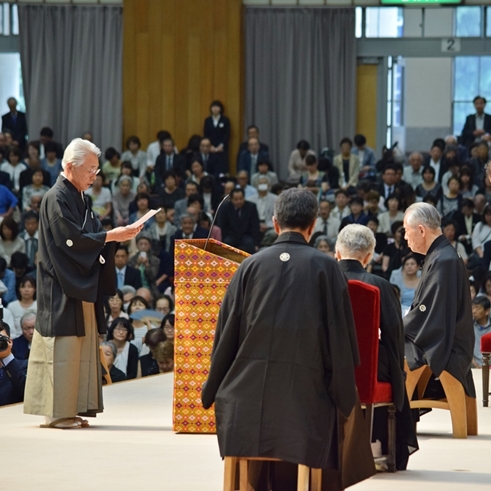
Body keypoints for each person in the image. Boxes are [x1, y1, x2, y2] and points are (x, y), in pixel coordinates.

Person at [202, 188, 374, 491]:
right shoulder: (327, 268)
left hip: (245, 400)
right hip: (304, 400)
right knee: (341, 412)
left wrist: (212, 388)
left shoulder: (249, 266)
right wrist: (344, 393)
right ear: (312, 226)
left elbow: (225, 337)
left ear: (274, 223)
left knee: (250, 404)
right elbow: (341, 342)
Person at [23, 138, 143, 430]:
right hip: (61, 284)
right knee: (63, 349)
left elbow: (92, 234)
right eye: (89, 169)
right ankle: (57, 413)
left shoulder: (80, 197)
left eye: (96, 169)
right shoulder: (56, 197)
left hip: (79, 280)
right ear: (69, 167)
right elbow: (72, 240)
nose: (94, 175)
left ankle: (72, 408)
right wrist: (113, 236)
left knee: (81, 347)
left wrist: (112, 236)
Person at [335, 224, 418, 470]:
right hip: (369, 370)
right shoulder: (379, 285)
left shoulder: (319, 279)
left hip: (324, 366)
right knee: (389, 366)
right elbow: (394, 335)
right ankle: (379, 445)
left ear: (337, 252)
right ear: (369, 256)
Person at [403, 202, 475, 402]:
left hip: (448, 347)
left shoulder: (443, 260)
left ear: (421, 230)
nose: (405, 237)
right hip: (451, 339)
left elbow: (429, 314)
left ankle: (392, 420)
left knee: (384, 352)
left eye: (407, 231)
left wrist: (395, 326)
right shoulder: (442, 254)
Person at [216, 188, 260, 254]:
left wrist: (256, 244)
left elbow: (255, 226)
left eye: (241, 199)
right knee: (227, 243)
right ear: (231, 199)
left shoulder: (251, 207)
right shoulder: (224, 207)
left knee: (250, 244)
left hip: (246, 235)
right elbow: (222, 225)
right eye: (236, 199)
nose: (239, 201)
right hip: (231, 235)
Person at [0, 320, 28, 407]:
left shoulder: (25, 366)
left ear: (10, 342)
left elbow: (27, 393)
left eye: (1, 340)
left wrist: (7, 357)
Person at [471, 295, 491, 368]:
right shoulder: (469, 327)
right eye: (473, 308)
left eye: (477, 308)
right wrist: (476, 365)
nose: (474, 311)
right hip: (473, 366)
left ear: (487, 311)